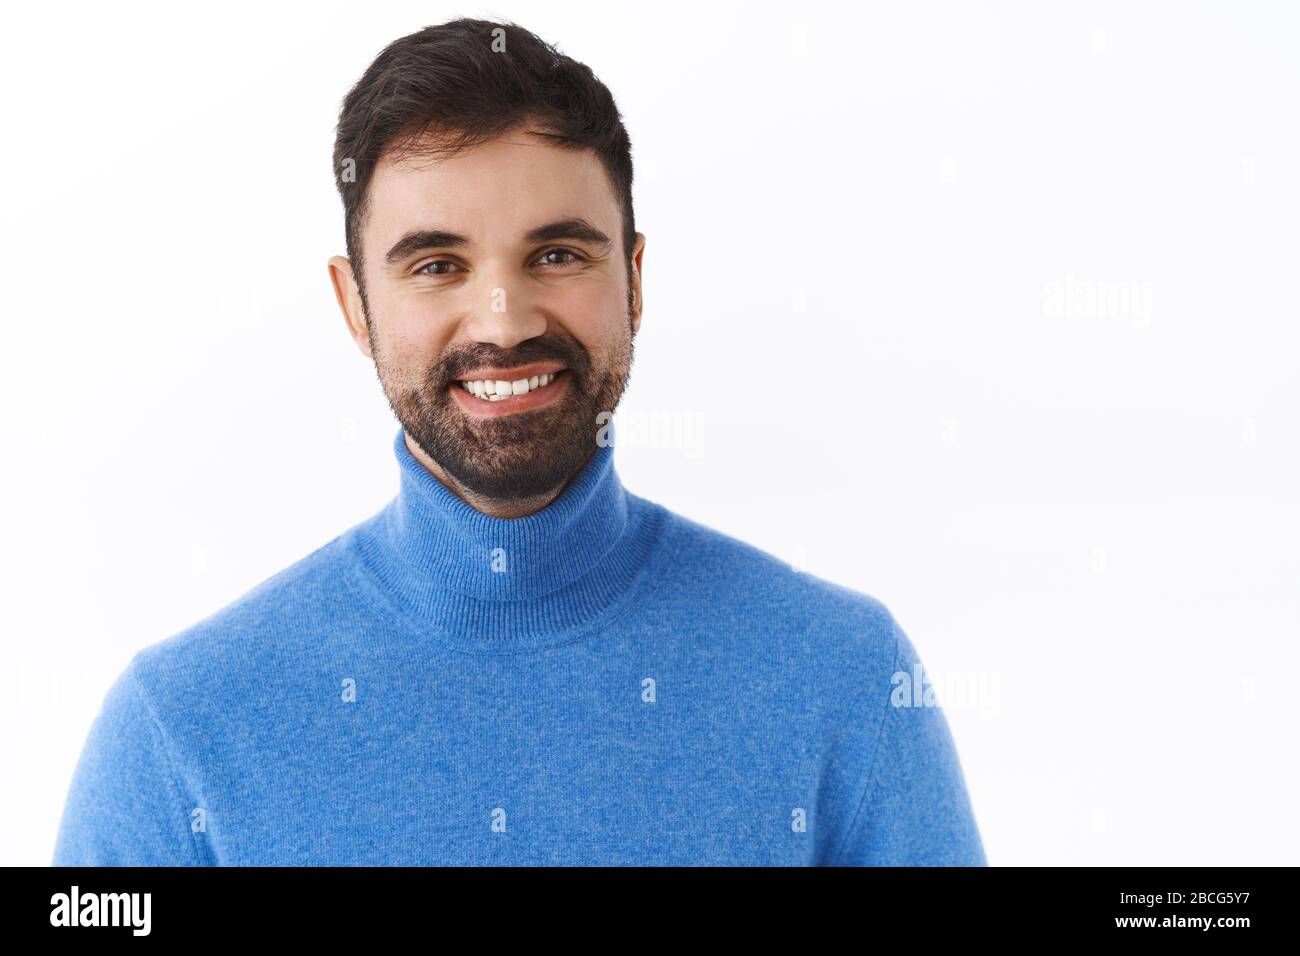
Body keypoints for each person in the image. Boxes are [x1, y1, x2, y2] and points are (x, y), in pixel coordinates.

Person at [52, 17, 986, 866]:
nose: (501, 322)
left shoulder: (846, 681)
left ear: (634, 278)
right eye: (436, 265)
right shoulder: (179, 732)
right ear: (353, 305)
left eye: (556, 254)